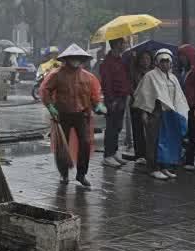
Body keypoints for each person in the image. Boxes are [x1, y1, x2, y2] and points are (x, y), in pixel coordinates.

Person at [41, 44, 106, 188]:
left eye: (78, 58)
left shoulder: (88, 77)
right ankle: (64, 173)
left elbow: (95, 96)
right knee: (61, 146)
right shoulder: (56, 75)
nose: (75, 60)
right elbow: (45, 90)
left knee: (85, 143)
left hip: (81, 115)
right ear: (67, 59)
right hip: (62, 115)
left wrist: (98, 106)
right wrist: (50, 106)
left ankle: (81, 174)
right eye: (73, 58)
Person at [133, 49, 189, 181]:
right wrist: (144, 113)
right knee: (154, 140)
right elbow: (144, 95)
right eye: (162, 61)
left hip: (169, 113)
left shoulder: (173, 77)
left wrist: (180, 111)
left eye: (167, 61)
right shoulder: (150, 76)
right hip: (155, 112)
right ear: (157, 62)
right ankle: (153, 168)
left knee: (167, 140)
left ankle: (165, 166)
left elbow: (179, 96)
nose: (165, 64)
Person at [99, 38, 129, 167]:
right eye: (123, 43)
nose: (125, 45)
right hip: (113, 100)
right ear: (117, 44)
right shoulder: (107, 62)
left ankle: (114, 152)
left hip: (122, 98)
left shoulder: (120, 60)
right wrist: (111, 100)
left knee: (118, 127)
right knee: (111, 127)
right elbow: (107, 83)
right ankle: (108, 155)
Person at [178, 44, 195, 171]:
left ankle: (193, 161)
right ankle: (187, 158)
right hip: (185, 107)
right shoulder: (183, 70)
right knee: (188, 134)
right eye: (180, 56)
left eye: (183, 55)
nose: (181, 58)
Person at [129, 49, 155, 164]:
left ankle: (151, 153)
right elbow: (131, 88)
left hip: (150, 105)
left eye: (147, 59)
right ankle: (140, 154)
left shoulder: (154, 73)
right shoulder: (134, 73)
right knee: (137, 129)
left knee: (151, 130)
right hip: (136, 104)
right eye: (142, 59)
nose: (145, 61)